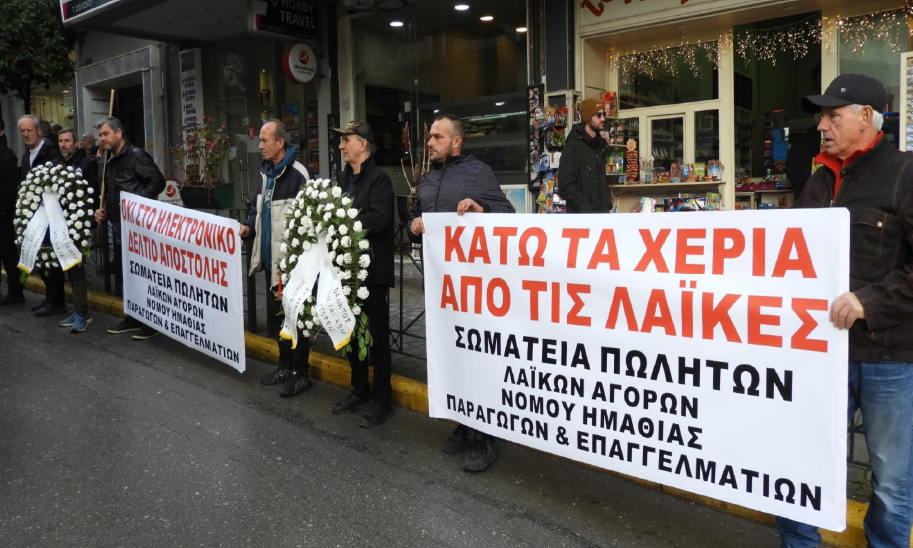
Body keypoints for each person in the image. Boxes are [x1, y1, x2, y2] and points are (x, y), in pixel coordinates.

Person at [775, 73, 913, 548]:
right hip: (819, 350)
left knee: (891, 481)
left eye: (833, 116)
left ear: (867, 117)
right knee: (797, 463)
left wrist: (867, 302)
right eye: (822, 117)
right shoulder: (817, 181)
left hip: (888, 357)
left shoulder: (904, 175)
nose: (821, 126)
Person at [408, 113, 516, 472]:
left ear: (456, 141)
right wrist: (413, 225)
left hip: (475, 291)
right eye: (429, 137)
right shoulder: (427, 178)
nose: (429, 142)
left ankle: (486, 436)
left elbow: (508, 214)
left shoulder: (478, 173)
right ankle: (465, 423)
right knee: (452, 356)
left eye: (437, 137)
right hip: (442, 292)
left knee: (478, 359)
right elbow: (412, 220)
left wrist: (480, 209)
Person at [241, 119, 313, 398]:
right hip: (272, 265)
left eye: (264, 140)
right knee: (280, 318)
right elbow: (258, 210)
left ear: (280, 142)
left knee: (296, 318)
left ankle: (300, 373)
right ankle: (284, 365)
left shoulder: (299, 173)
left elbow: (312, 218)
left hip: (293, 267)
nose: (259, 145)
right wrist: (249, 227)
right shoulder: (266, 173)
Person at [331, 121, 395, 427]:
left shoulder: (379, 179)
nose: (341, 146)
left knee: (378, 340)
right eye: (342, 141)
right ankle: (360, 390)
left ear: (363, 144)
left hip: (372, 274)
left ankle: (383, 400)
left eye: (347, 140)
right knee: (352, 335)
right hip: (347, 272)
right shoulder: (345, 178)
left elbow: (379, 219)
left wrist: (343, 221)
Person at [93, 116, 166, 340]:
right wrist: (105, 210)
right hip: (119, 229)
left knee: (143, 276)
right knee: (127, 277)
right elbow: (114, 191)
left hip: (138, 231)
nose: (102, 139)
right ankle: (133, 317)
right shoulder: (110, 160)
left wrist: (133, 204)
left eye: (106, 134)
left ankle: (151, 322)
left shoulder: (136, 155)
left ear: (119, 133)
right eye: (100, 135)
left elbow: (157, 181)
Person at [18, 115, 66, 317]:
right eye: (22, 131)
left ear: (39, 131)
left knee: (51, 257)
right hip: (34, 214)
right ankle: (50, 297)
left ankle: (57, 301)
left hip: (50, 214)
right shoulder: (26, 155)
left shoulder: (51, 152)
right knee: (41, 257)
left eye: (29, 130)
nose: (26, 134)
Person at [56, 128, 98, 332]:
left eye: (67, 141)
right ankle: (79, 309)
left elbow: (92, 195)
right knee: (70, 268)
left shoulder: (86, 164)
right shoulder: (59, 164)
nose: (63, 144)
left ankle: (82, 313)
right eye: (60, 141)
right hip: (63, 223)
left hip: (80, 224)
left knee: (77, 266)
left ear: (75, 143)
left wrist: (88, 224)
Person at [558, 98, 613, 213]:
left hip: (602, 214)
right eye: (598, 115)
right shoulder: (573, 146)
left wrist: (607, 204)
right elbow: (565, 185)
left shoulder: (601, 146)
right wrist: (584, 208)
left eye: (604, 114)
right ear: (588, 117)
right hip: (581, 217)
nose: (603, 118)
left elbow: (601, 181)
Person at [0, 128, 22, 305]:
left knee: (8, 253)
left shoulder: (6, 155)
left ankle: (16, 291)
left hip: (3, 214)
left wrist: (3, 208)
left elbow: (9, 186)